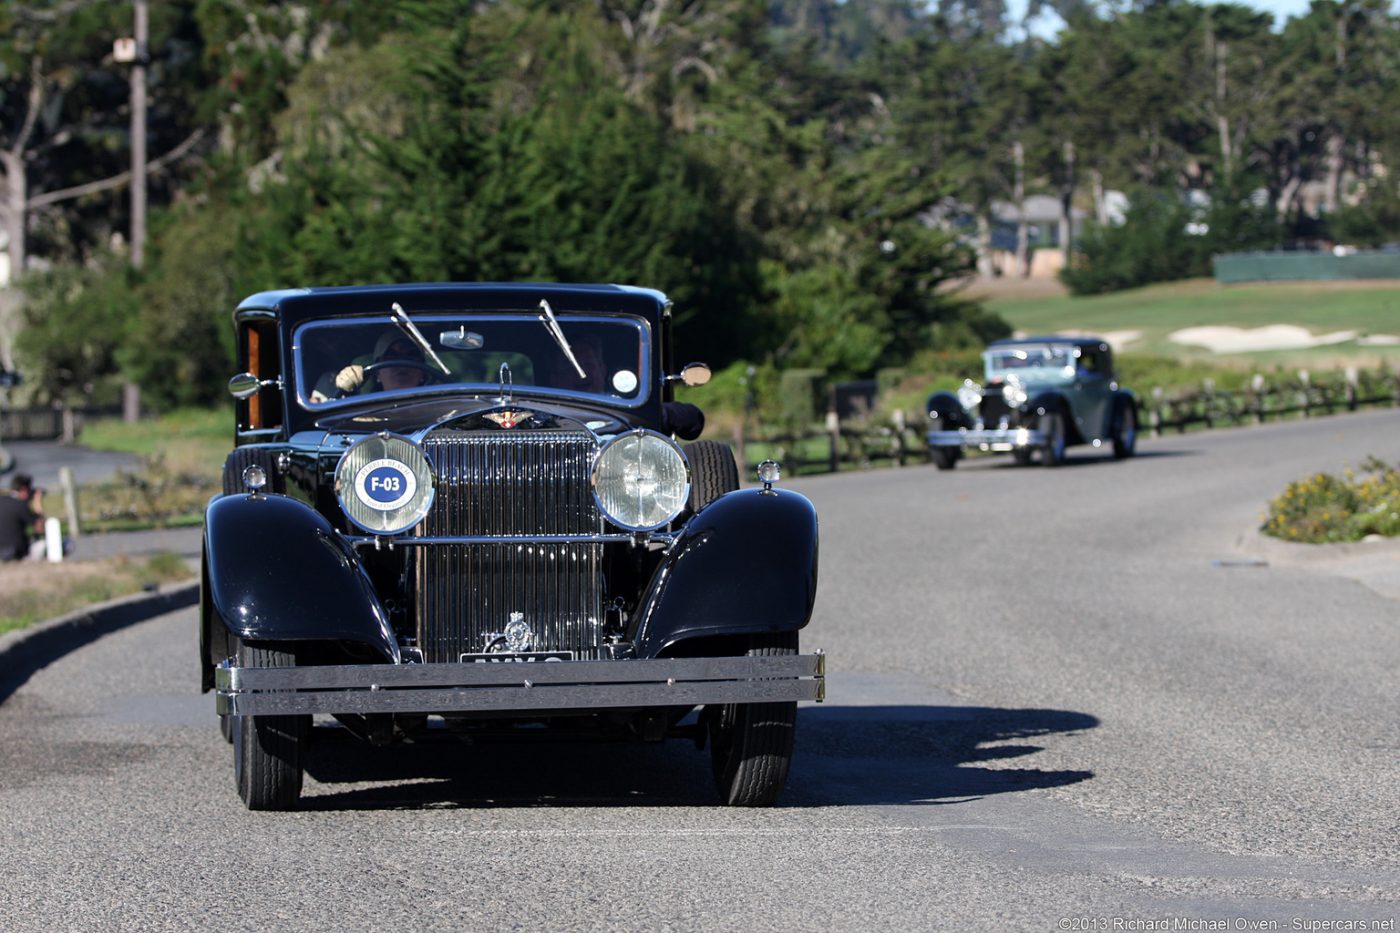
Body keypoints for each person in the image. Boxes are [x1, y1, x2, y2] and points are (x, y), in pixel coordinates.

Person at [331, 333, 429, 397]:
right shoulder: (362, 413)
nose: (402, 365)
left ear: (422, 373)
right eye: (391, 356)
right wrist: (346, 383)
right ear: (378, 373)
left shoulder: (439, 413)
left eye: (411, 356)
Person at [0, 474, 45, 562]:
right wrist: (37, 503)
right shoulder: (21, 505)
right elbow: (40, 529)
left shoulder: (2, 501)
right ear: (24, 489)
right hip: (18, 552)